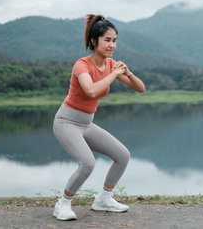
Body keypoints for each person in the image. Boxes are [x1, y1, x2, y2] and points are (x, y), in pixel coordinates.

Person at [52, 14, 145, 221]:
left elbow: (141, 88)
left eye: (114, 41)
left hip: (86, 124)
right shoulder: (82, 65)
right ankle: (63, 204)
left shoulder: (111, 65)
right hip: (66, 122)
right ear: (94, 41)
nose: (112, 45)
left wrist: (128, 74)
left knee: (123, 155)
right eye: (107, 40)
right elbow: (91, 91)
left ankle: (103, 199)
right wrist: (113, 74)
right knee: (87, 163)